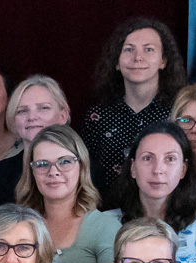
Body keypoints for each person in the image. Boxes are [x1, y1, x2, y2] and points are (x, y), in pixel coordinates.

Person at [78, 18, 187, 206]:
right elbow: (85, 177)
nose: (138, 57)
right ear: (117, 62)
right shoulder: (97, 117)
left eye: (148, 49)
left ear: (163, 61)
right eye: (129, 49)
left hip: (168, 216)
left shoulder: (180, 113)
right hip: (109, 215)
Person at [13, 125, 117, 263]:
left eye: (65, 162)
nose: (54, 172)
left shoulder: (104, 227)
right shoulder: (15, 226)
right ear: (32, 171)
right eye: (43, 164)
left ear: (82, 165)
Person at [107, 124, 196, 263]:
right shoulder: (107, 224)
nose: (158, 170)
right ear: (133, 167)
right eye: (147, 158)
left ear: (183, 169)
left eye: (170, 159)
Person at [0, 74, 75, 206]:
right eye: (22, 111)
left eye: (43, 108)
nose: (32, 117)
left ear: (63, 116)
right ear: (13, 119)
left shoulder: (90, 172)